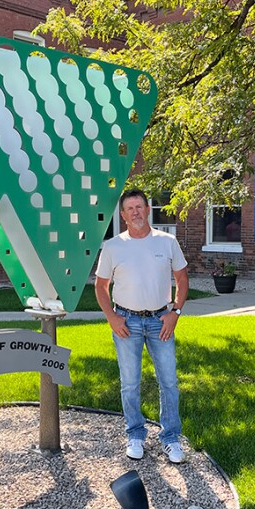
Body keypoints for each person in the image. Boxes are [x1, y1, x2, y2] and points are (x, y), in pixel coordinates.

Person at [95, 189, 189, 463]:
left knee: (169, 381)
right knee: (130, 383)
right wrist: (112, 317)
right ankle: (135, 434)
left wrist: (176, 312)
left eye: (140, 206)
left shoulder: (167, 242)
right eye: (130, 208)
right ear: (123, 215)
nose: (136, 212)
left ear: (148, 210)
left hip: (162, 320)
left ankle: (171, 438)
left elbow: (182, 280)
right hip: (127, 322)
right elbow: (101, 286)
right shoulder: (113, 247)